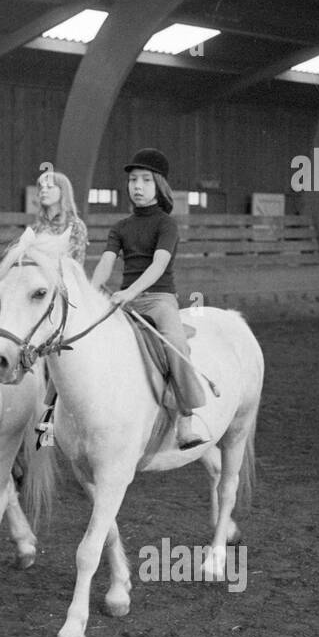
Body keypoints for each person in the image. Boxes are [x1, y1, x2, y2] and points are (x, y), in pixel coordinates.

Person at [89, 147, 209, 449]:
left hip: (158, 299)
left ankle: (186, 418)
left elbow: (158, 264)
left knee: (176, 345)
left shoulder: (166, 224)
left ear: (159, 185)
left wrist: (131, 291)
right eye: (132, 181)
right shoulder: (120, 227)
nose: (137, 186)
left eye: (145, 180)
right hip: (125, 301)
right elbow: (106, 262)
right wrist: (90, 291)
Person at [30, 169, 89, 264]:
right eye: (41, 188)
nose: (43, 191)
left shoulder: (75, 226)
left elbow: (76, 263)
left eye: (49, 187)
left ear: (62, 191)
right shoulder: (36, 227)